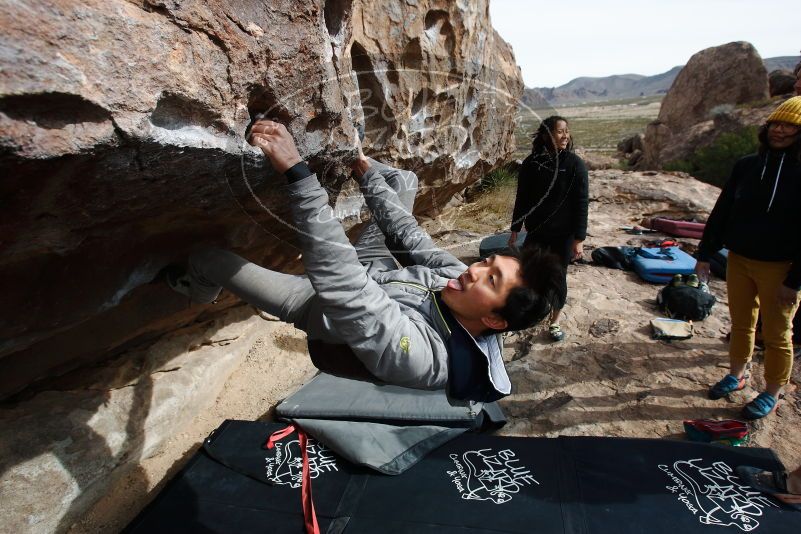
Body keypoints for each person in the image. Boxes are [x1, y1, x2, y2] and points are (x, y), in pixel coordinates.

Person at [167, 119, 567, 402]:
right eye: (488, 264)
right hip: (378, 269)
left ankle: (199, 292)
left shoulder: (425, 359)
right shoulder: (461, 277)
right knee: (402, 182)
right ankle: (361, 156)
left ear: (495, 321)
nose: (474, 271)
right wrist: (364, 172)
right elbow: (410, 235)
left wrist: (298, 174)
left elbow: (347, 288)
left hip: (319, 306)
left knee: (208, 258)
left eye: (491, 281)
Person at [697, 96, 801, 419]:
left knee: (777, 334)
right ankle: (737, 374)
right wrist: (704, 253)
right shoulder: (747, 166)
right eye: (774, 124)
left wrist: (795, 281)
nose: (779, 131)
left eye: (788, 126)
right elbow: (722, 211)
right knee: (742, 324)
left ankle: (772, 391)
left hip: (780, 268)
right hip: (739, 260)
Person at [508, 115, 588, 341]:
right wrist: (515, 228)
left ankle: (555, 321)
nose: (565, 136)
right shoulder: (531, 164)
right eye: (560, 131)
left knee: (557, 277)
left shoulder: (574, 164)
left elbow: (581, 203)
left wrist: (579, 238)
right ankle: (529, 312)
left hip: (563, 235)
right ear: (546, 135)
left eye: (566, 131)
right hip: (536, 232)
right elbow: (522, 198)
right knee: (527, 273)